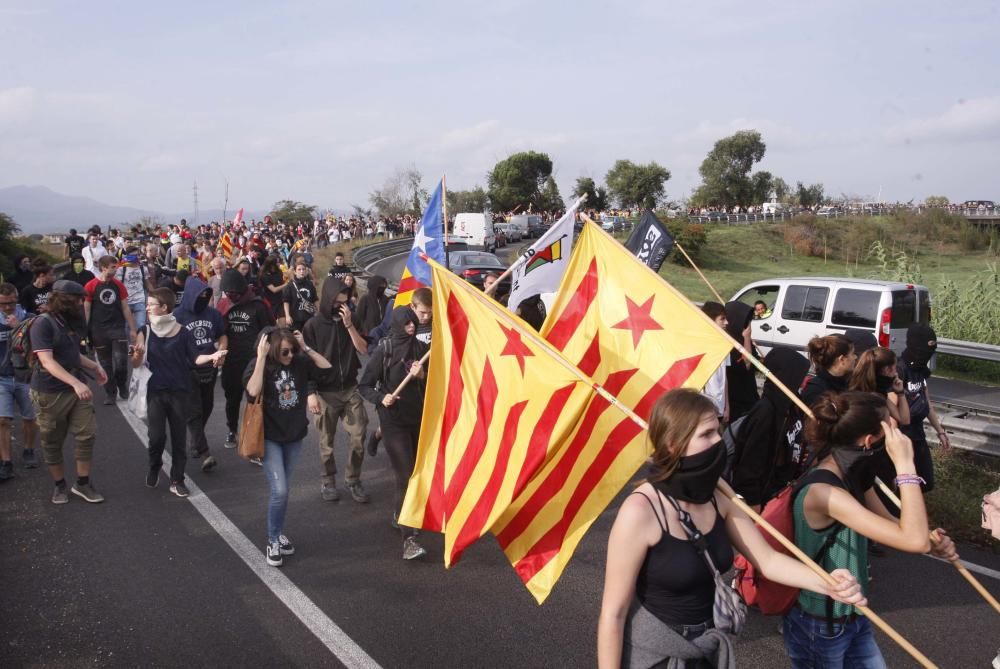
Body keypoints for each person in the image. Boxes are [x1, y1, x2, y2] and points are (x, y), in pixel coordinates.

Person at [597, 388, 866, 668]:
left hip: (707, 647)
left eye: (718, 429)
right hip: (656, 654)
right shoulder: (640, 511)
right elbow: (613, 613)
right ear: (674, 445)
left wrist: (828, 582)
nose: (719, 441)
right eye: (707, 434)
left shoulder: (718, 495)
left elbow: (768, 560)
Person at [784, 391, 958, 667]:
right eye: (890, 426)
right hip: (822, 623)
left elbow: (899, 529)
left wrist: (931, 541)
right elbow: (913, 541)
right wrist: (905, 464)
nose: (897, 430)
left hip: (854, 612)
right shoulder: (824, 492)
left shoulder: (852, 471)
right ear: (869, 440)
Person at [244, 327, 331, 567]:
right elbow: (252, 392)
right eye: (284, 351)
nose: (290, 355)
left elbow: (326, 368)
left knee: (282, 491)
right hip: (269, 437)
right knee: (280, 490)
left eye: (292, 350)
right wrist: (261, 358)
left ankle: (278, 531)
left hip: (294, 436)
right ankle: (273, 539)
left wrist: (305, 348)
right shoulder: (260, 365)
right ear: (270, 349)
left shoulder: (299, 361)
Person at [132, 288, 226, 497]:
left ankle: (177, 479)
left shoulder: (183, 332)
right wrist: (137, 355)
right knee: (156, 437)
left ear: (164, 307)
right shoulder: (144, 331)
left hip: (180, 392)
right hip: (155, 392)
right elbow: (136, 362)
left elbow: (196, 358)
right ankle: (154, 465)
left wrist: (212, 356)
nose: (147, 307)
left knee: (178, 438)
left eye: (151, 303)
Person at [359, 307, 430, 560]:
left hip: (417, 420)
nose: (412, 327)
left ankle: (400, 515)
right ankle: (408, 540)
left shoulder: (421, 351)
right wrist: (382, 398)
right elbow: (364, 385)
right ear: (398, 325)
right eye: (407, 324)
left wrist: (422, 375)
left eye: (414, 323)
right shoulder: (385, 350)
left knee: (417, 473)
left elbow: (434, 382)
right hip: (393, 422)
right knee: (406, 475)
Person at [30, 280, 108, 504]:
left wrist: (94, 366)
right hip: (49, 392)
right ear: (65, 300)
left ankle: (82, 484)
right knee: (51, 441)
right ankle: (59, 486)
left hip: (75, 389)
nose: (81, 304)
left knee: (86, 435)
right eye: (77, 300)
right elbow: (47, 361)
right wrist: (76, 383)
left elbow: (71, 354)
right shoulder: (42, 324)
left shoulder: (68, 322)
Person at [303, 276, 370, 503]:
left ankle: (353, 478)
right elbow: (306, 362)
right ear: (327, 300)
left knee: (359, 435)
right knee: (326, 442)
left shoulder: (352, 319)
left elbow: (363, 349)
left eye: (345, 303)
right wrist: (310, 392)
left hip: (350, 388)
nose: (341, 308)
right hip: (324, 392)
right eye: (336, 303)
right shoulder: (312, 326)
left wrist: (349, 325)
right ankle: (328, 480)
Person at [729, 347, 811, 510]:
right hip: (763, 498)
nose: (803, 381)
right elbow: (750, 463)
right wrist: (753, 502)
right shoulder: (765, 411)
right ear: (786, 375)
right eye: (799, 375)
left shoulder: (794, 403)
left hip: (782, 490)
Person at [173, 276, 227, 472]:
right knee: (194, 410)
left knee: (207, 406)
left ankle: (196, 439)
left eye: (206, 295)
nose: (203, 299)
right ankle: (205, 452)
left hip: (209, 367)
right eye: (199, 295)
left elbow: (222, 334)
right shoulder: (178, 315)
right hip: (187, 369)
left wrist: (221, 351)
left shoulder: (213, 314)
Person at [217, 269, 273, 450]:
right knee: (231, 399)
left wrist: (265, 357)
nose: (229, 296)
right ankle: (231, 430)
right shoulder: (224, 304)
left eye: (232, 293)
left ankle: (253, 436)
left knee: (255, 400)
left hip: (253, 362)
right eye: (227, 293)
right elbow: (219, 330)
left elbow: (269, 330)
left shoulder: (258, 305)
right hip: (231, 361)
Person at [896, 324, 949, 492]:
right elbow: (891, 407)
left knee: (926, 482)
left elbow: (926, 403)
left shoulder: (920, 370)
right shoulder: (899, 369)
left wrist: (940, 431)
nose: (927, 355)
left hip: (918, 433)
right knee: (905, 484)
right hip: (902, 435)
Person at [84, 255, 137, 405]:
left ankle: (122, 384)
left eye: (116, 266)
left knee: (121, 361)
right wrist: (85, 331)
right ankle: (110, 392)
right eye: (113, 267)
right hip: (99, 330)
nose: (116, 269)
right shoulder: (90, 286)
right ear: (103, 268)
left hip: (117, 328)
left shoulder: (118, 285)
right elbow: (87, 310)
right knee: (105, 364)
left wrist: (132, 329)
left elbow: (125, 307)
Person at [0, 284, 38, 478]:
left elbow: (38, 346)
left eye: (11, 303)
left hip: (25, 376)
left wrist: (18, 329)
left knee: (30, 418)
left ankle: (29, 449)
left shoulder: (28, 319)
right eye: (3, 304)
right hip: (2, 378)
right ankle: (5, 461)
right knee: (3, 420)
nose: (7, 307)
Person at [799, 334, 856, 409]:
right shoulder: (816, 391)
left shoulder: (849, 382)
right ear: (842, 359)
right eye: (852, 353)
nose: (855, 357)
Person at [723, 301, 758, 421]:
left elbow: (755, 363)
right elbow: (746, 365)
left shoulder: (740, 337)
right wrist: (747, 339)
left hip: (750, 394)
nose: (748, 325)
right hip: (736, 399)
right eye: (745, 320)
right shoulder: (727, 343)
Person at [699, 302, 729, 422]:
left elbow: (724, 377)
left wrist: (727, 406)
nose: (727, 322)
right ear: (711, 321)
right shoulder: (700, 344)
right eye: (722, 319)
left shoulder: (725, 343)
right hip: (704, 408)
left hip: (720, 407)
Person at [116, 250, 153, 330]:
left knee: (141, 325)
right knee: (127, 326)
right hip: (126, 302)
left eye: (137, 255)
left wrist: (154, 295)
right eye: (133, 255)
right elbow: (118, 285)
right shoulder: (121, 270)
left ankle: (141, 342)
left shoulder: (143, 268)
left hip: (140, 300)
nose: (136, 257)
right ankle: (130, 342)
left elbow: (147, 283)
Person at [281, 259, 318, 332]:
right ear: (295, 271)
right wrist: (287, 315)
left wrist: (318, 312)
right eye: (299, 269)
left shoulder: (310, 284)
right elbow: (286, 302)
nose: (302, 271)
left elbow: (315, 299)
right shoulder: (290, 286)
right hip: (295, 319)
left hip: (308, 317)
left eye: (303, 269)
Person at [258, 255, 288, 325]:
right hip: (270, 302)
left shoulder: (279, 272)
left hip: (280, 300)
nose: (278, 264)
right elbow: (273, 290)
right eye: (277, 262)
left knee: (283, 323)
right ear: (271, 265)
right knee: (272, 324)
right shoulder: (264, 275)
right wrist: (286, 285)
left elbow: (282, 281)